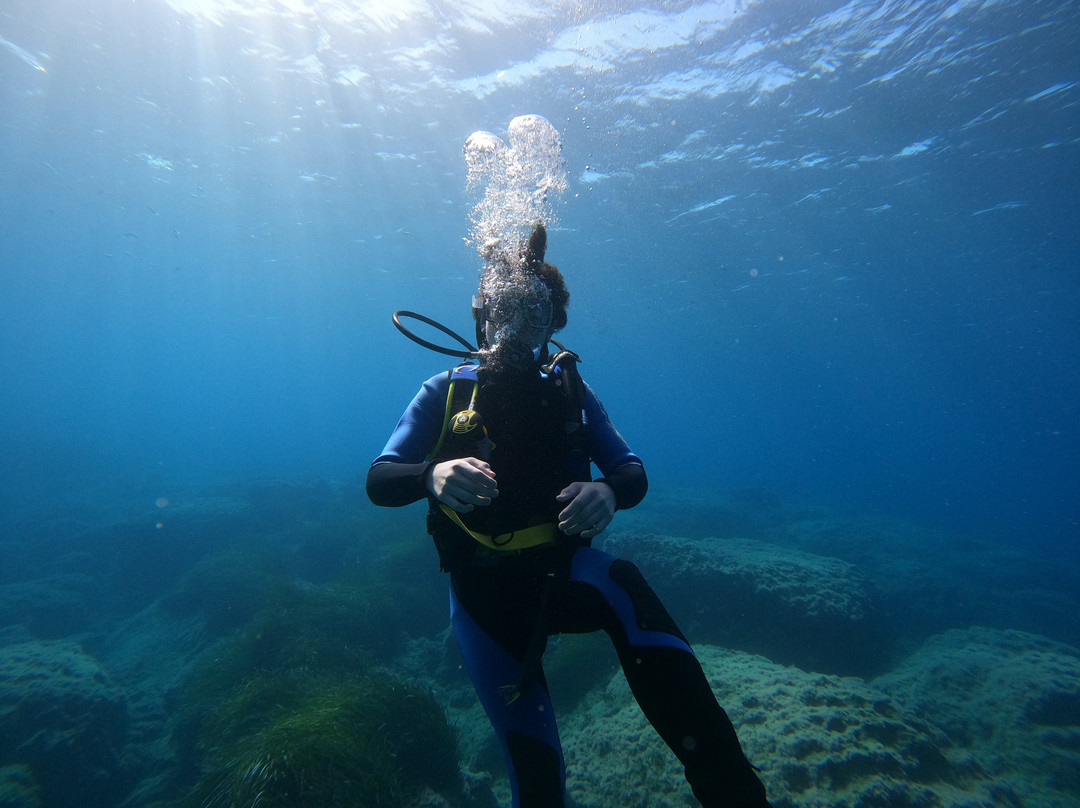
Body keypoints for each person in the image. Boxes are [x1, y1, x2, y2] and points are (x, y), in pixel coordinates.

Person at [367, 224, 771, 808]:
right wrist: (430, 477)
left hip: (565, 574)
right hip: (485, 600)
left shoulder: (570, 394)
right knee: (538, 780)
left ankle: (733, 792)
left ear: (554, 323)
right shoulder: (445, 392)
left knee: (625, 584)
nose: (517, 331)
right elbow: (381, 479)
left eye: (534, 316)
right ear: (482, 316)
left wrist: (608, 492)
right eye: (504, 313)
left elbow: (632, 473)